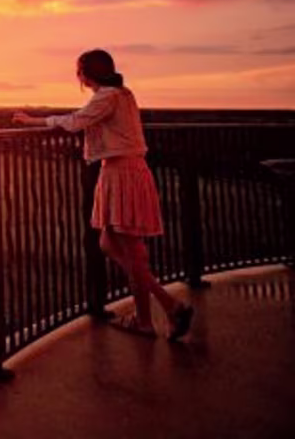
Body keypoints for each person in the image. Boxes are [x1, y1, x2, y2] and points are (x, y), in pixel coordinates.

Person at [13, 49, 195, 340]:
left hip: (122, 174)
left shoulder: (108, 97)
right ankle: (162, 308)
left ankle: (156, 315)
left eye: (79, 71)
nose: (78, 76)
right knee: (110, 243)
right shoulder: (122, 93)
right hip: (122, 172)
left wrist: (33, 121)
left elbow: (75, 121)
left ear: (85, 75)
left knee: (131, 253)